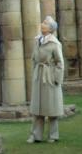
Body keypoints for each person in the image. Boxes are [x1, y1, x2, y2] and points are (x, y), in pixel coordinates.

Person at [27, 16, 64, 144]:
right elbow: (33, 58)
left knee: (51, 106)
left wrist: (56, 79)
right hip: (39, 74)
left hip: (49, 76)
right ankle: (35, 135)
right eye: (43, 22)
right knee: (37, 106)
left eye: (45, 23)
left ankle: (53, 135)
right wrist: (34, 71)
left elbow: (60, 63)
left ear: (50, 28)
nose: (42, 24)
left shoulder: (55, 43)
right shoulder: (37, 40)